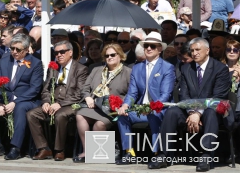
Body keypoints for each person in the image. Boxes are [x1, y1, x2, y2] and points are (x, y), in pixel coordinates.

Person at [150, 37, 231, 171]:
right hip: (191, 110)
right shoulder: (187, 68)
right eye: (192, 50)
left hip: (214, 111)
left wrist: (198, 113)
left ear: (207, 50)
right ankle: (163, 155)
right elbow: (184, 95)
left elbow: (218, 97)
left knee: (211, 112)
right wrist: (192, 112)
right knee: (172, 112)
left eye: (198, 50)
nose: (194, 53)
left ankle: (206, 156)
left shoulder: (220, 69)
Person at [0, 33, 43, 160]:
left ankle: (16, 147)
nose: (14, 52)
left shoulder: (35, 63)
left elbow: (34, 89)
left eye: (18, 49)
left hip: (26, 100)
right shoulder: (5, 59)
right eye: (12, 48)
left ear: (26, 49)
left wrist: (15, 102)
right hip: (4, 99)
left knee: (20, 108)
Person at [116, 32, 175, 165]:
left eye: (152, 46)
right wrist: (125, 105)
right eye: (146, 45)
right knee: (122, 115)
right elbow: (132, 93)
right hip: (140, 109)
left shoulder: (167, 67)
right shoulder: (137, 68)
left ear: (159, 49)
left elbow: (165, 94)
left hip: (160, 109)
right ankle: (129, 152)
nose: (148, 48)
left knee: (154, 115)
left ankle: (157, 153)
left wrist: (151, 107)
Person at [27, 41, 88, 161]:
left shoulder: (81, 69)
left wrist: (60, 104)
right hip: (52, 103)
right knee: (31, 114)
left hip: (71, 104)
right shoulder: (53, 68)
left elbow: (79, 94)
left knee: (60, 115)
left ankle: (60, 150)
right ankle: (44, 148)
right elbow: (45, 89)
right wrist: (46, 102)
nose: (58, 55)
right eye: (56, 53)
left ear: (70, 52)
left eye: (62, 52)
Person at [74, 44, 132, 163]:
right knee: (80, 115)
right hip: (94, 105)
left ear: (120, 56)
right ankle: (87, 151)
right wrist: (88, 97)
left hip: (112, 109)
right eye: (106, 56)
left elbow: (132, 92)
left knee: (99, 124)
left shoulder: (128, 72)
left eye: (112, 55)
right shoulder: (96, 70)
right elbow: (85, 88)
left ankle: (97, 153)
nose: (109, 57)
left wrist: (120, 104)